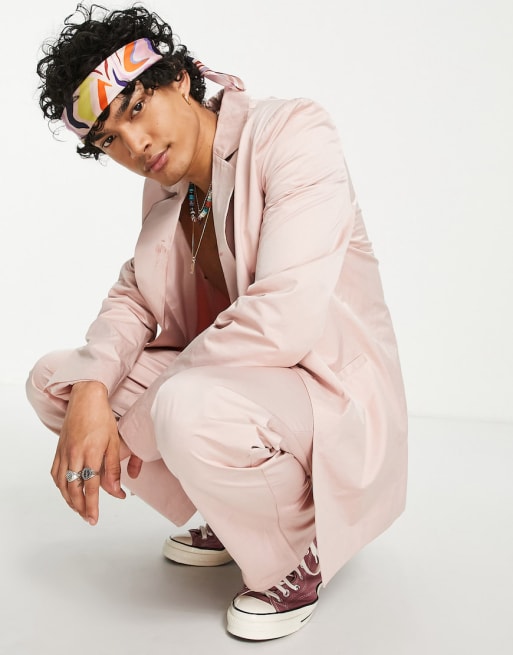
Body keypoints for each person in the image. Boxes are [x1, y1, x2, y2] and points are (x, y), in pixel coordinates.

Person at [27, 2, 408, 641]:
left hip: (323, 386)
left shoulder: (292, 133)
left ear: (179, 78)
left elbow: (283, 316)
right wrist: (92, 389)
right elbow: (137, 295)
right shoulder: (168, 184)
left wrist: (131, 427)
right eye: (109, 140)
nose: (135, 146)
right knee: (55, 383)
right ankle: (241, 514)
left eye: (136, 109)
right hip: (242, 387)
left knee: (183, 407)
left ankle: (294, 554)